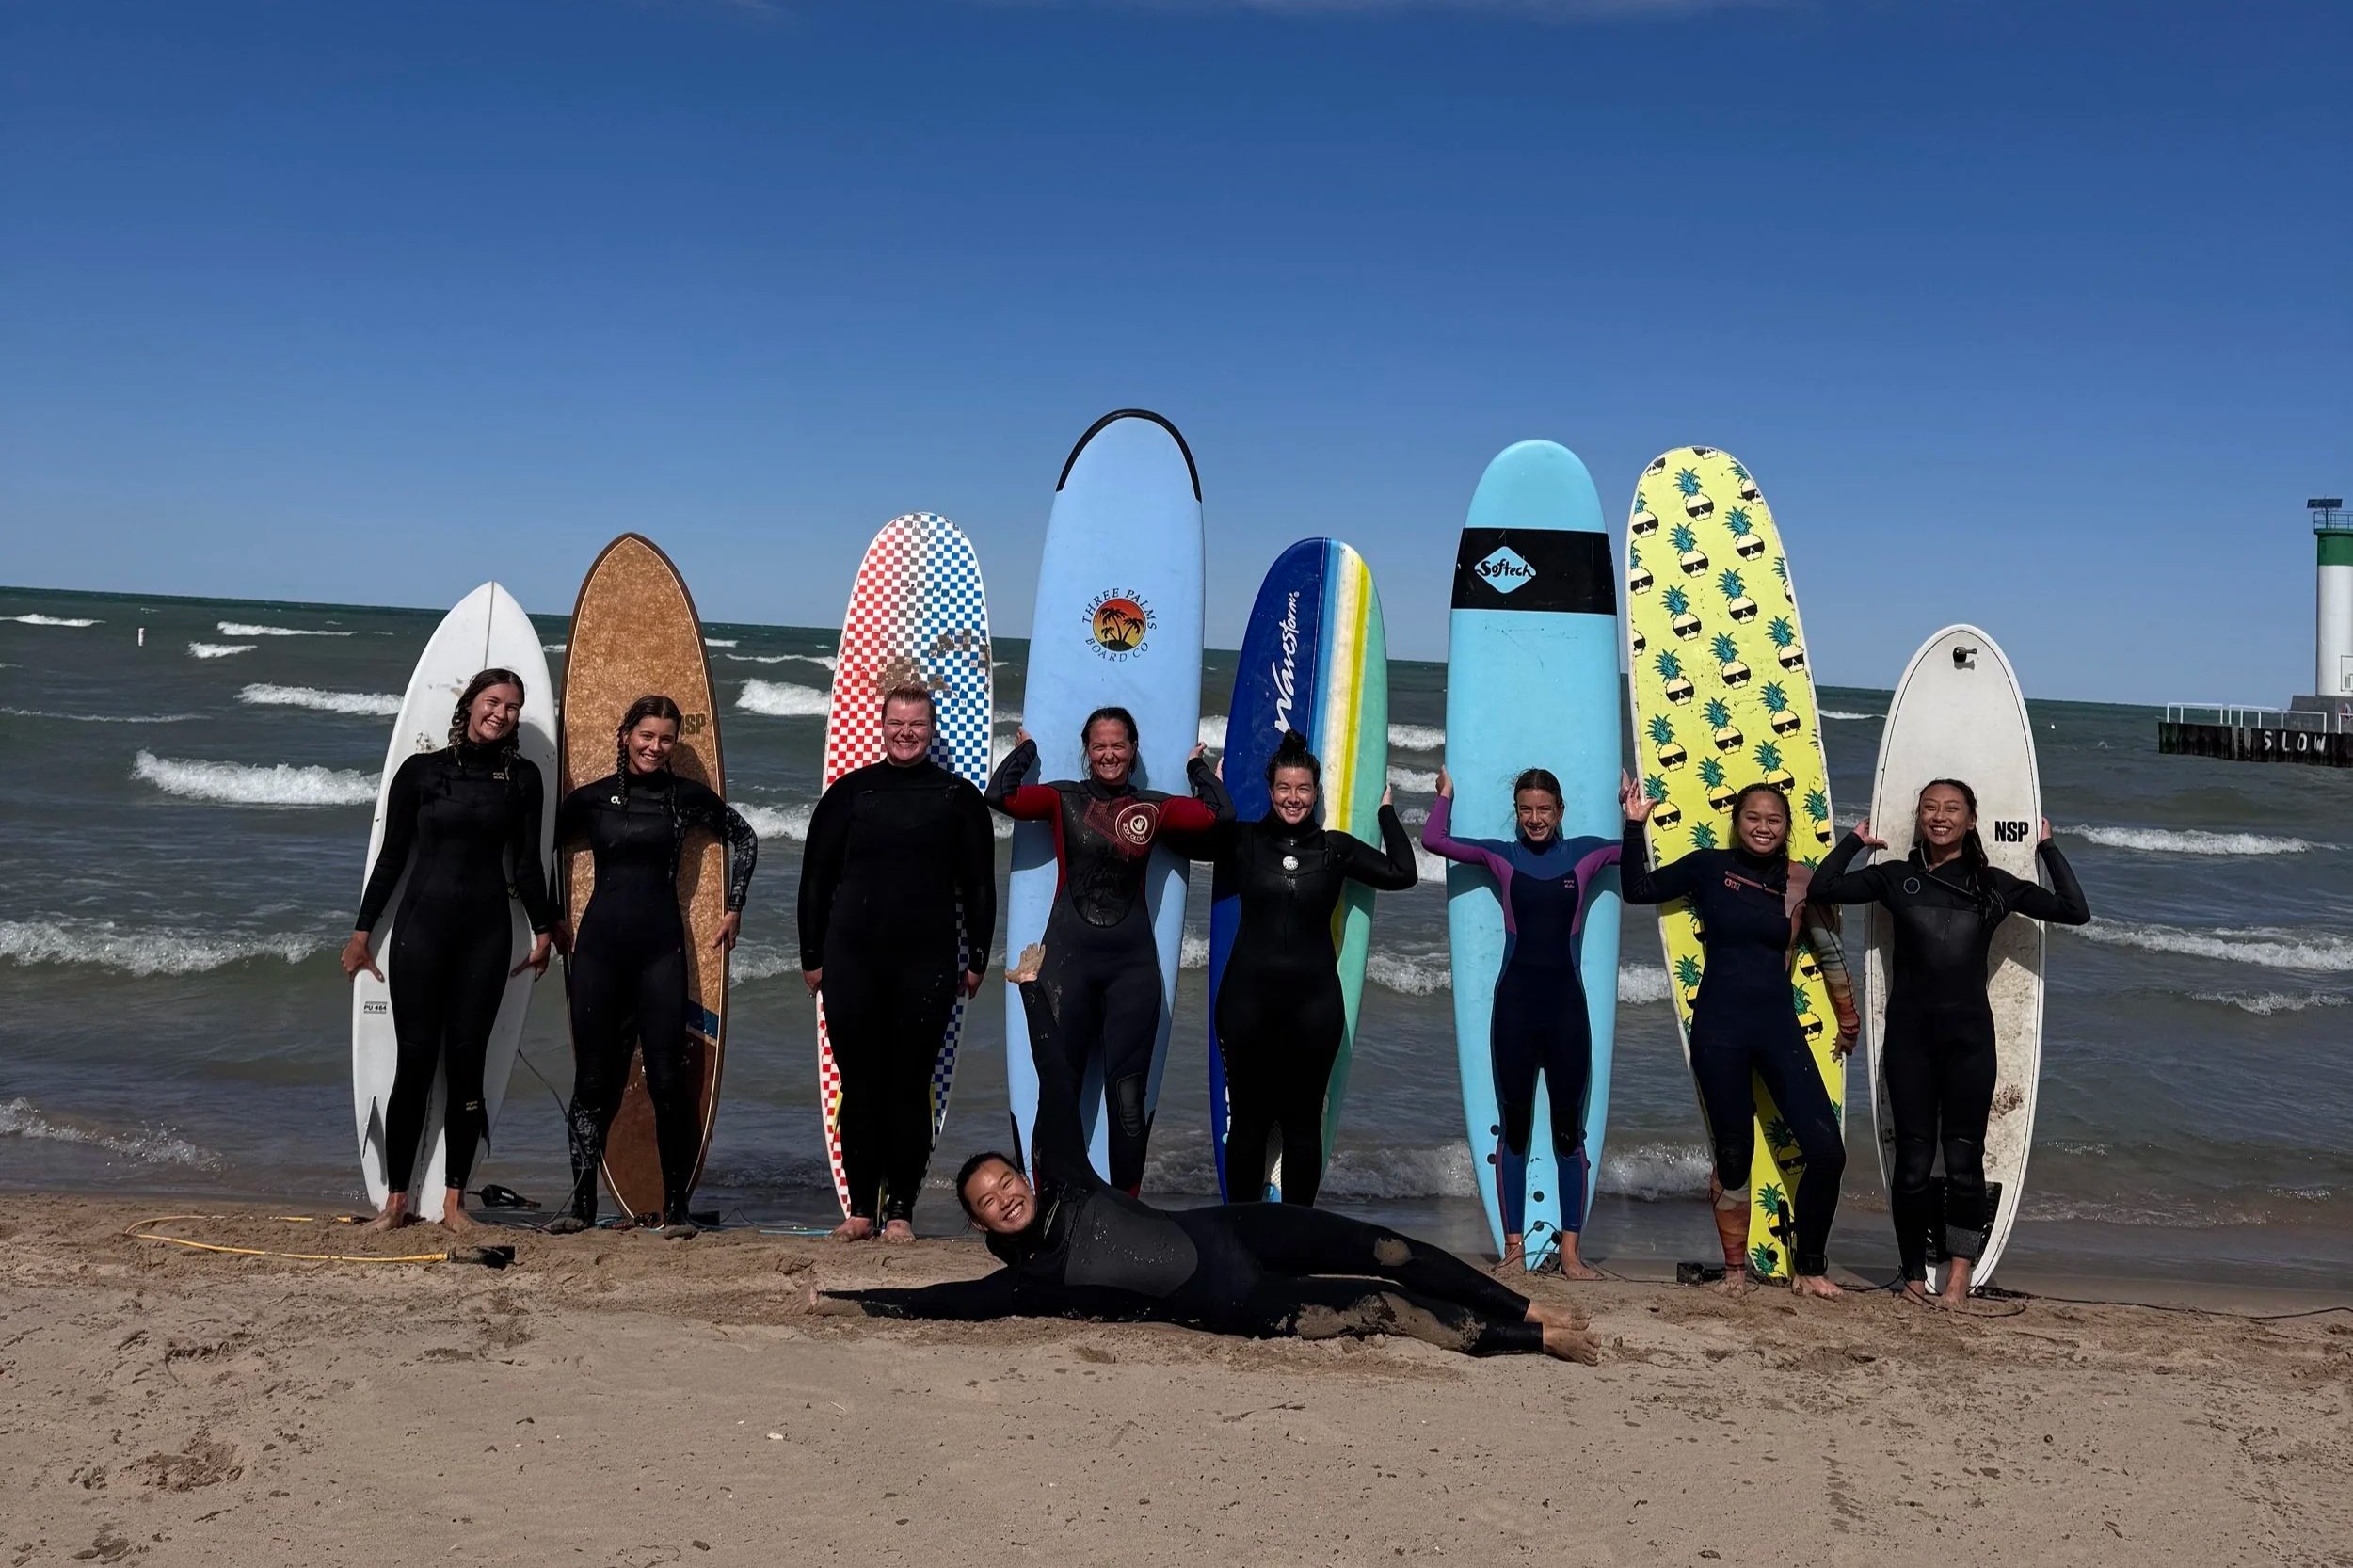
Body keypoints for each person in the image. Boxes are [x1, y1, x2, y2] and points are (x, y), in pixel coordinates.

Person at [812, 947, 1598, 1363]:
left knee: (1385, 1248)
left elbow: (1057, 1083)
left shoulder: (1067, 1178)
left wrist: (1029, 990)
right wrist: (850, 1303)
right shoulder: (1026, 1283)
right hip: (1235, 1306)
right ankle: (1537, 1341)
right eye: (989, 1201)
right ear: (984, 1222)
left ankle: (1525, 1306)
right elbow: (941, 1300)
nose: (1005, 1196)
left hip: (1234, 1231)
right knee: (1377, 1309)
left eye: (1003, 1180)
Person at [1807, 780, 2090, 1304]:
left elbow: (2075, 910)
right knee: (1912, 1167)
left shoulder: (1994, 886)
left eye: (1952, 809)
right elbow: (1822, 889)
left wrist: (2047, 846)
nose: (1940, 817)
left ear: (1970, 819)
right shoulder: (1896, 879)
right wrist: (1854, 842)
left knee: (1964, 1164)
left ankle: (1958, 1277)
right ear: (1919, 818)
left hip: (1969, 1041)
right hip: (1910, 1040)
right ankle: (1913, 1276)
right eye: (1930, 808)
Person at [1619, 776, 1856, 1299]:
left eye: (1774, 819)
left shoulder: (1801, 881)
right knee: (1733, 1156)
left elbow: (1829, 951)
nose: (1763, 827)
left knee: (1827, 1152)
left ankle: (1810, 1268)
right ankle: (1733, 1271)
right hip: (1719, 1029)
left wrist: (1849, 1019)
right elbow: (1637, 891)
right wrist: (1634, 827)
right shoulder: (1709, 868)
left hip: (1777, 1028)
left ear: (1787, 826)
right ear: (1737, 822)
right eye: (1753, 817)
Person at [343, 667, 555, 1233]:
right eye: (493, 701)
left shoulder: (525, 780)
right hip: (421, 933)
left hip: (485, 938)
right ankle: (395, 1202)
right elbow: (392, 859)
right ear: (469, 705)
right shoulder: (421, 773)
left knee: (467, 1069)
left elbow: (528, 864)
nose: (502, 714)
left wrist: (545, 930)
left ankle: (455, 1203)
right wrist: (362, 933)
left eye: (513, 707)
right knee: (413, 1066)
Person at [985, 707, 1230, 1192]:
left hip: (1131, 971)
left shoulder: (1154, 809)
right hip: (1067, 966)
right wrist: (1026, 750)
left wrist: (1199, 770)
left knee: (1128, 1098)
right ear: (1087, 751)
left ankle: (1126, 1209)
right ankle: (1050, 1199)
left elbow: (1219, 816)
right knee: (1060, 1091)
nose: (1109, 754)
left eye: (1118, 745)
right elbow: (1000, 795)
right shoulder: (1062, 799)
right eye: (1099, 746)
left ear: (1133, 750)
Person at [550, 695, 758, 1239]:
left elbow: (744, 837)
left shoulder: (685, 800)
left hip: (661, 952)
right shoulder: (590, 801)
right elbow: (538, 849)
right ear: (625, 735)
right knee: (594, 1081)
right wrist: (549, 919)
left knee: (669, 1081)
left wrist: (734, 907)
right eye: (646, 736)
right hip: (599, 951)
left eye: (666, 739)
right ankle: (580, 1206)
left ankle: (677, 1210)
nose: (655, 747)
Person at [1182, 730, 1417, 1208]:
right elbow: (1187, 837)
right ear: (1271, 791)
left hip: (1314, 1008)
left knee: (1303, 1123)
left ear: (1316, 793)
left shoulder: (1335, 849)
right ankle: (1244, 1232)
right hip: (1247, 1003)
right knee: (1247, 1121)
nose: (1294, 798)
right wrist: (1203, 777)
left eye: (1303, 789)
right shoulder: (1243, 841)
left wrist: (1387, 812)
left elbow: (1402, 872)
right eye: (1284, 788)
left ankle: (1298, 1233)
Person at [798, 684, 997, 1242]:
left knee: (911, 1084)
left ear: (932, 731)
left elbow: (980, 886)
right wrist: (811, 954)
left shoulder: (958, 798)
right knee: (859, 1084)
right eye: (897, 724)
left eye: (917, 725)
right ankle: (861, 1209)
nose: (906, 733)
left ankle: (902, 1211)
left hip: (926, 962)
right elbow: (815, 878)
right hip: (851, 960)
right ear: (880, 727)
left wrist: (977, 956)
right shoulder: (848, 794)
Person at [1420, 765, 1620, 1276]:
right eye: (1527, 810)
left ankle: (1571, 1254)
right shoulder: (1500, 855)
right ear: (1518, 813)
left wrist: (1633, 814)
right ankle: (1513, 1249)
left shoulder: (1587, 853)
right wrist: (1444, 795)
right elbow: (1432, 839)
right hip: (1513, 1009)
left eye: (1544, 810)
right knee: (1514, 1131)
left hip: (1566, 1012)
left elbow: (1641, 859)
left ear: (1560, 812)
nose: (1535, 819)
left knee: (1568, 1134)